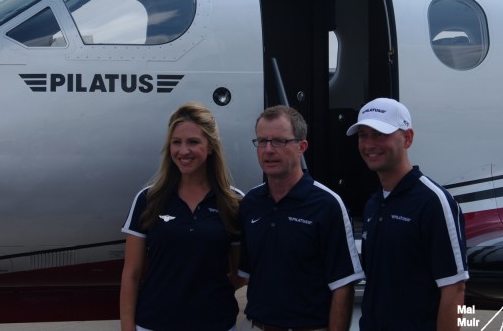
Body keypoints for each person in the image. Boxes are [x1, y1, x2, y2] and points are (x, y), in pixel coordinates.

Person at [346, 98, 469, 331]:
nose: (369, 144)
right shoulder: (374, 204)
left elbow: (454, 289)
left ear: (408, 138)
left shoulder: (433, 202)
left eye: (380, 134)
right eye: (363, 135)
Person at [238, 105, 365, 331]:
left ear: (301, 146)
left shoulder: (327, 205)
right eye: (261, 141)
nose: (268, 150)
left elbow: (343, 286)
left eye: (279, 141)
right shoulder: (250, 203)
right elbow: (245, 275)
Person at [119, 102, 243, 331]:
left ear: (211, 147)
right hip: (154, 324)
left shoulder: (232, 202)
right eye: (176, 142)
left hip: (216, 324)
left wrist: (208, 294)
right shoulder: (148, 199)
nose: (183, 151)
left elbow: (240, 273)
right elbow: (132, 275)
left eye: (193, 142)